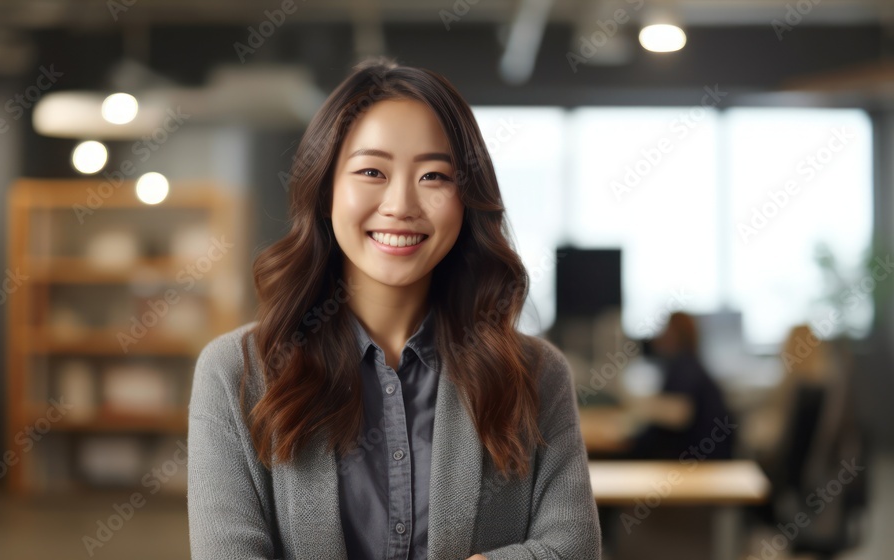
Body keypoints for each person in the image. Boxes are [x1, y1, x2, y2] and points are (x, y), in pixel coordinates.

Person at [187, 57, 601, 560]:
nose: (401, 203)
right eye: (371, 171)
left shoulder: (535, 375)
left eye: (434, 176)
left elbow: (573, 548)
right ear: (325, 191)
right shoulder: (237, 372)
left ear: (466, 198)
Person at [626, 311, 735, 460]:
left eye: (666, 330)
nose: (660, 337)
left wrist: (640, 407)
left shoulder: (685, 367)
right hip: (700, 452)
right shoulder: (688, 365)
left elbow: (679, 413)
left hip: (699, 459)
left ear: (674, 335)